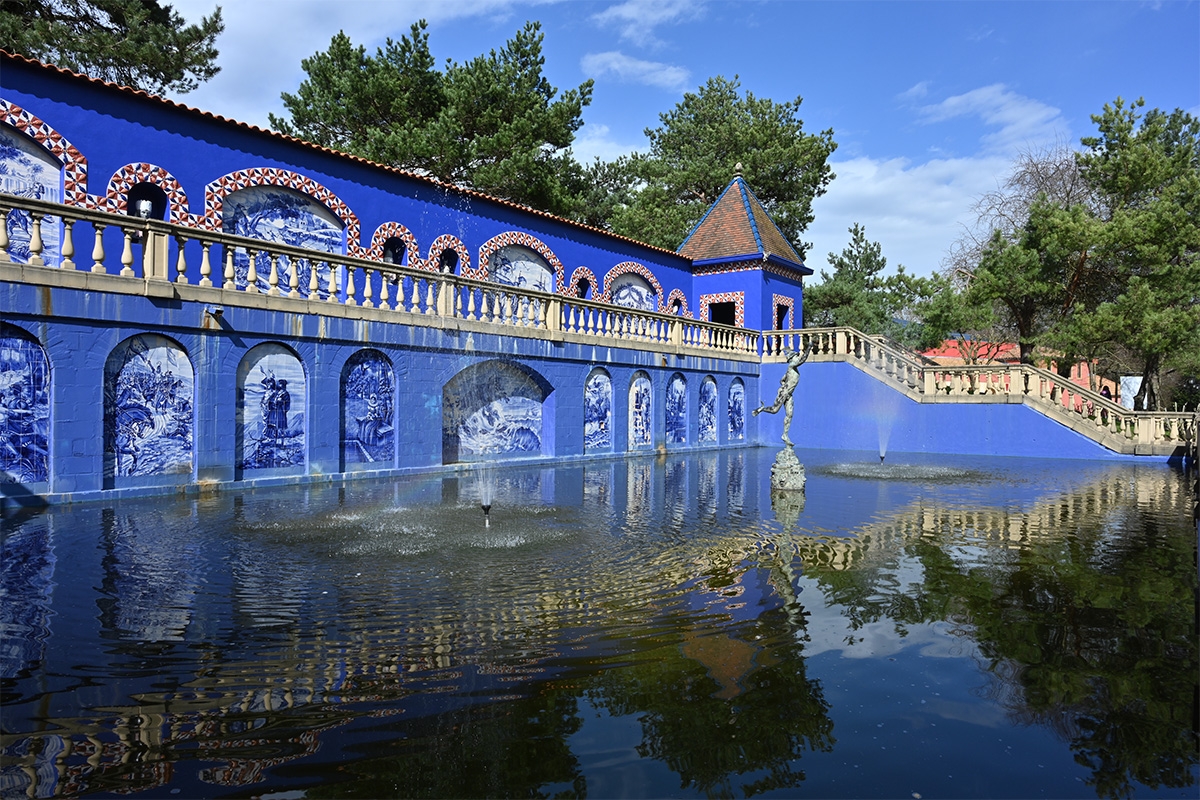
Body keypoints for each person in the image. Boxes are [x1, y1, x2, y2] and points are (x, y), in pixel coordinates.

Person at [753, 344, 814, 445]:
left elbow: (781, 379)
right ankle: (761, 409)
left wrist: (784, 385)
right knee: (774, 410)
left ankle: (785, 435)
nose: (797, 357)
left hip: (788, 394)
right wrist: (809, 348)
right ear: (791, 359)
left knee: (789, 414)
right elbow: (803, 359)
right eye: (796, 356)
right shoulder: (791, 366)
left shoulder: (791, 370)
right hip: (784, 392)